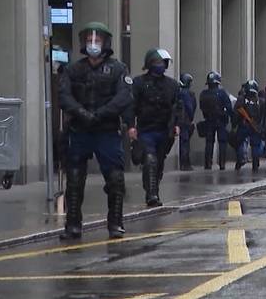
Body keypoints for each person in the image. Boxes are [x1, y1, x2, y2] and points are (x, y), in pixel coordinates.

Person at [58, 22, 133, 240]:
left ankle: (116, 223)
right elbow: (64, 95)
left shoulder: (119, 69)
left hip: (106, 130)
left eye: (97, 41)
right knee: (74, 178)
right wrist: (81, 113)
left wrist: (100, 114)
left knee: (115, 178)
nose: (93, 44)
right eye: (89, 40)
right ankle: (72, 225)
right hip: (79, 129)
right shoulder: (74, 69)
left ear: (105, 43)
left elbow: (123, 97)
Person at [127, 49, 181, 208]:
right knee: (150, 160)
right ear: (150, 64)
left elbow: (178, 107)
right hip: (146, 130)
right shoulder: (139, 83)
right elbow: (131, 105)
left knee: (158, 163)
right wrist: (131, 126)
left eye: (163, 63)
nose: (161, 66)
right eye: (157, 63)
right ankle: (151, 195)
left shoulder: (172, 85)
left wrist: (177, 124)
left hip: (165, 131)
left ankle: (153, 187)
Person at [198, 71, 233, 170]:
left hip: (209, 120)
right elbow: (229, 107)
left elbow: (201, 107)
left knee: (209, 142)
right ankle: (222, 164)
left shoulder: (203, 94)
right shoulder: (222, 93)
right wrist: (230, 116)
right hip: (221, 121)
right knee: (222, 142)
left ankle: (207, 164)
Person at [233, 80, 265, 172]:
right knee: (255, 145)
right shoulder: (260, 101)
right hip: (255, 126)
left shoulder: (241, 99)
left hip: (244, 125)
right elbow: (264, 115)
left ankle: (240, 161)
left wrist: (234, 125)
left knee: (240, 143)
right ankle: (255, 165)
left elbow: (236, 113)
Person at [178, 73, 197, 171]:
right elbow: (190, 108)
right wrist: (191, 118)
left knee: (184, 142)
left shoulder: (179, 92)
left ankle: (184, 162)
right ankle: (184, 163)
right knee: (185, 142)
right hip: (185, 121)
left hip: (181, 121)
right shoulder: (186, 93)